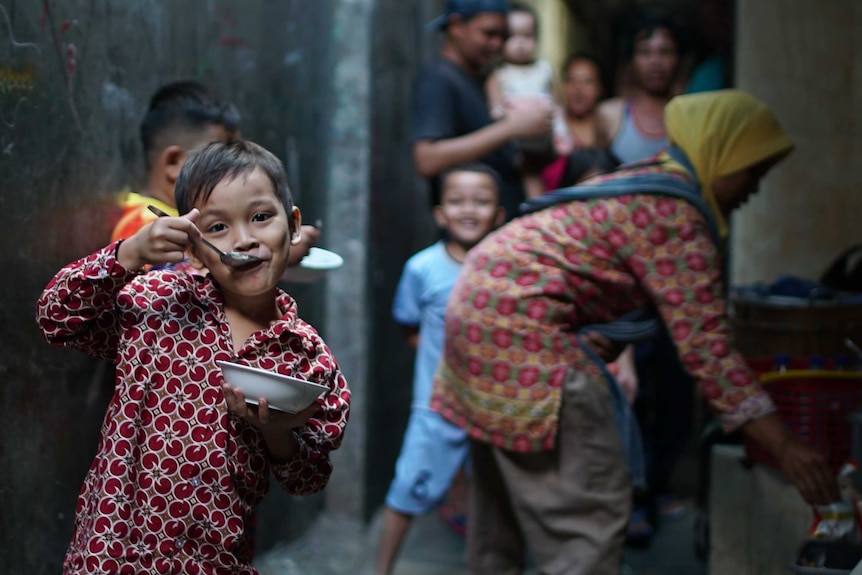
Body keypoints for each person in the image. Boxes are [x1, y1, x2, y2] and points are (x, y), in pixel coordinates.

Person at [430, 90, 840, 575]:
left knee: (500, 520)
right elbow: (708, 350)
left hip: (478, 312)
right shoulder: (677, 214)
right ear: (721, 151)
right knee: (588, 518)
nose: (754, 189)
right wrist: (787, 446)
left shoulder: (648, 181)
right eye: (752, 170)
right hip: (522, 332)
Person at [36, 139, 351, 574]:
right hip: (112, 551)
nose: (245, 239)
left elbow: (309, 478)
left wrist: (277, 434)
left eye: (261, 217)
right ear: (195, 247)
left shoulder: (305, 358)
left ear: (293, 226)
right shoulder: (157, 305)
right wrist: (128, 255)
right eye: (218, 228)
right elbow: (56, 317)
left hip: (213, 560)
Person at [375, 163, 505, 575]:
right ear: (440, 213)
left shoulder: (509, 266)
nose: (469, 210)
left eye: (481, 202)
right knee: (407, 490)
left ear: (499, 215)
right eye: (457, 201)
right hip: (437, 405)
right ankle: (381, 570)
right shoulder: (422, 268)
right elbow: (408, 323)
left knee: (499, 502)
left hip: (497, 406)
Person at [111, 80, 318, 266]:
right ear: (174, 162)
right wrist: (281, 251)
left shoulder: (183, 218)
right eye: (221, 159)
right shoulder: (144, 225)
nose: (237, 171)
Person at [415, 0, 553, 220]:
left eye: (503, 36)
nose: (497, 44)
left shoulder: (480, 79)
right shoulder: (440, 79)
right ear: (456, 26)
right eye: (489, 33)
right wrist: (511, 128)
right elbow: (427, 159)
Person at [485, 3, 570, 198]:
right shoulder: (499, 75)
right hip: (516, 144)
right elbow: (496, 110)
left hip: (545, 142)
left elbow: (557, 106)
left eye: (527, 36)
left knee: (552, 177)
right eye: (512, 36)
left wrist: (562, 133)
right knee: (527, 176)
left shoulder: (544, 70)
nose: (520, 44)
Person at [597, 12, 685, 164]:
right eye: (645, 52)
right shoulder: (610, 116)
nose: (655, 61)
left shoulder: (691, 119)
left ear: (678, 59)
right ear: (631, 60)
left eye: (665, 51)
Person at [541, 53, 607, 192]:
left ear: (600, 88)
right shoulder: (551, 126)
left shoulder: (609, 126)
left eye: (588, 81)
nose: (578, 89)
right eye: (571, 80)